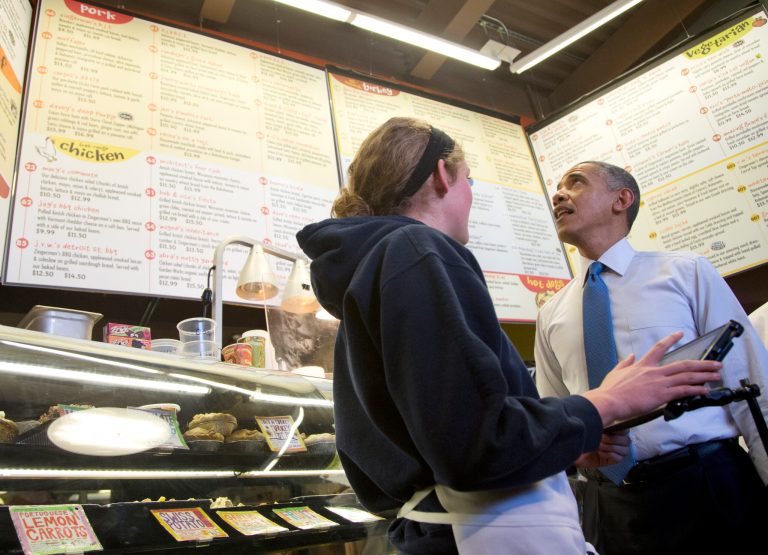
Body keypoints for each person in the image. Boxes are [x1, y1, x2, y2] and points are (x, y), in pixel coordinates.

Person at [296, 118, 722, 555]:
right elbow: (478, 444)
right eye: (469, 180)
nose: (471, 194)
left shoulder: (368, 274)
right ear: (444, 175)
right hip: (479, 535)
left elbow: (441, 439)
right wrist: (610, 401)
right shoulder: (418, 249)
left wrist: (566, 446)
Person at [535, 160, 768, 555]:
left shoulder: (685, 273)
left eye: (575, 183)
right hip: (608, 509)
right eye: (557, 188)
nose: (558, 195)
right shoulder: (550, 314)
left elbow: (753, 384)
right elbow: (556, 415)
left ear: (621, 199)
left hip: (706, 486)